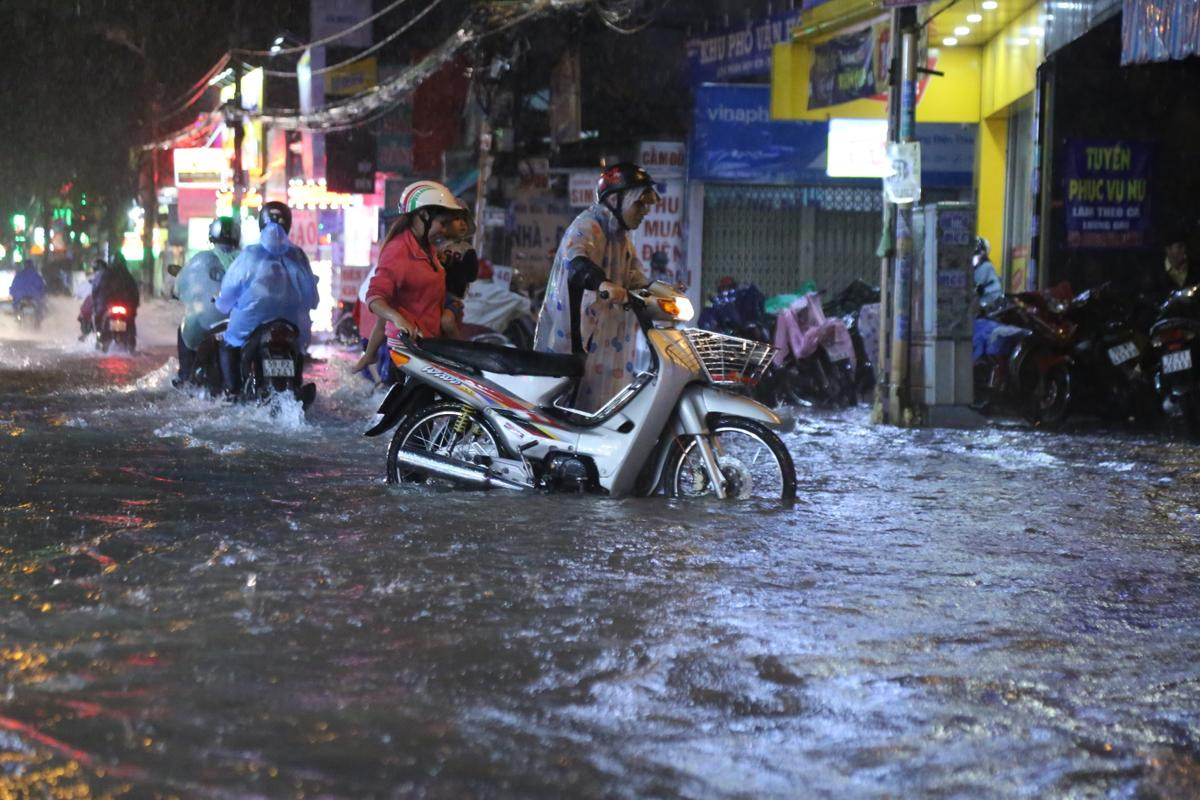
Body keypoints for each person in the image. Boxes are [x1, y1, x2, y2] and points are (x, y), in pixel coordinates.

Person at [533, 162, 660, 412]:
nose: (645, 211)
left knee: (601, 407)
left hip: (606, 339)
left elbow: (635, 277)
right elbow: (577, 261)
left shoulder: (622, 237)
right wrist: (602, 283)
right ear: (616, 199)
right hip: (577, 335)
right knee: (569, 405)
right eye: (639, 203)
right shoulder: (588, 225)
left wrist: (662, 290)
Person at [351, 180, 466, 374]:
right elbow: (375, 297)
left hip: (428, 348)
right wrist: (398, 319)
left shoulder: (427, 248)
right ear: (424, 215)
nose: (445, 231)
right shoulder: (398, 250)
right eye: (442, 224)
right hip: (407, 353)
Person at [214, 201, 318, 396]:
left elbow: (229, 290)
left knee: (228, 343)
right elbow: (312, 297)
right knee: (299, 349)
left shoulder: (250, 255)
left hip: (251, 321)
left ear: (261, 222)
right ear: (289, 224)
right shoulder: (298, 255)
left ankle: (231, 390)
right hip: (293, 323)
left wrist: (222, 304)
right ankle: (296, 384)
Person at [174, 217, 240, 385]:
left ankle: (185, 377)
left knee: (183, 332)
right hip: (240, 320)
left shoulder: (200, 260)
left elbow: (180, 284)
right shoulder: (245, 258)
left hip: (207, 321)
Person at [91, 253, 139, 335]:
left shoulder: (106, 274)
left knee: (98, 318)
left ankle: (100, 336)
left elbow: (97, 291)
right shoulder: (127, 276)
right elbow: (135, 292)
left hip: (111, 305)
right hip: (116, 305)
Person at [973, 236, 1003, 308]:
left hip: (990, 300)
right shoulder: (979, 265)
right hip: (985, 299)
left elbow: (976, 285)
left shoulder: (986, 266)